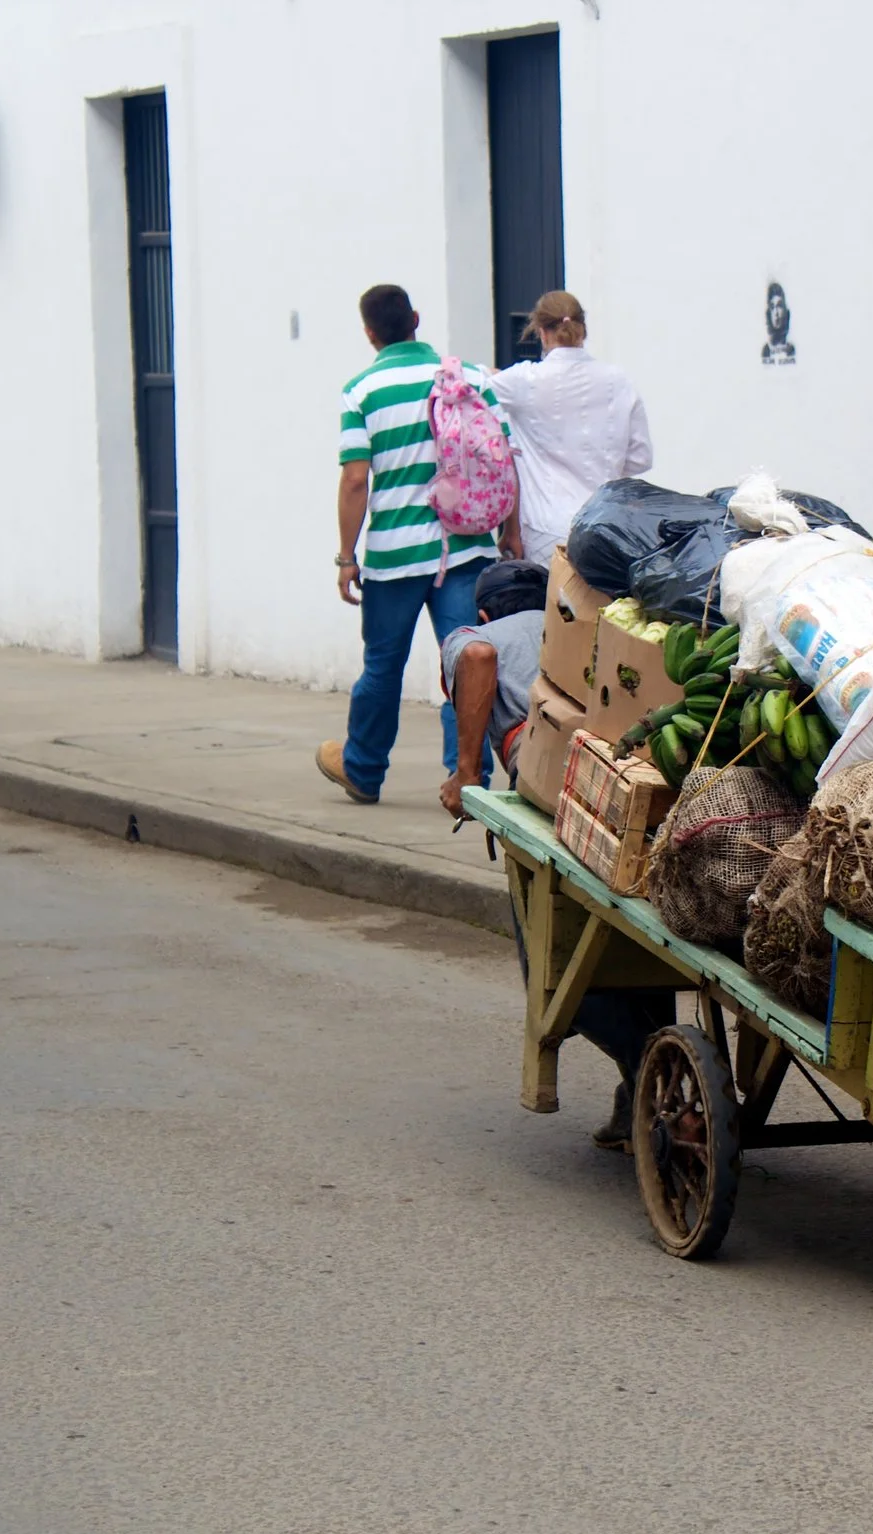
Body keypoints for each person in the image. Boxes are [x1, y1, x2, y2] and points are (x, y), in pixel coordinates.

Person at [440, 557, 671, 1150]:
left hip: (554, 784)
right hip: (638, 775)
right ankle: (644, 1083)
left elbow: (476, 661)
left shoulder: (476, 634)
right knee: (642, 929)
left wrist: (464, 775)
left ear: (486, 611)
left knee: (551, 962)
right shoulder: (592, 627)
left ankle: (649, 1065)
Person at [317, 283, 522, 804]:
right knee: (466, 663)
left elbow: (355, 480)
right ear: (416, 318)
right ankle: (468, 778)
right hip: (468, 545)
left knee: (383, 666)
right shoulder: (469, 376)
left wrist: (347, 556)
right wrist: (510, 530)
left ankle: (362, 768)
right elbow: (505, 457)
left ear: (370, 333)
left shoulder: (361, 391)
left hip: (395, 556)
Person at [486, 291, 653, 568]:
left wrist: (491, 373)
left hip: (546, 530)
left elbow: (470, 386)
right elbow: (640, 458)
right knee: (600, 610)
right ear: (583, 330)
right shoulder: (618, 380)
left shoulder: (523, 381)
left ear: (541, 332)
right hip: (608, 525)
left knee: (551, 610)